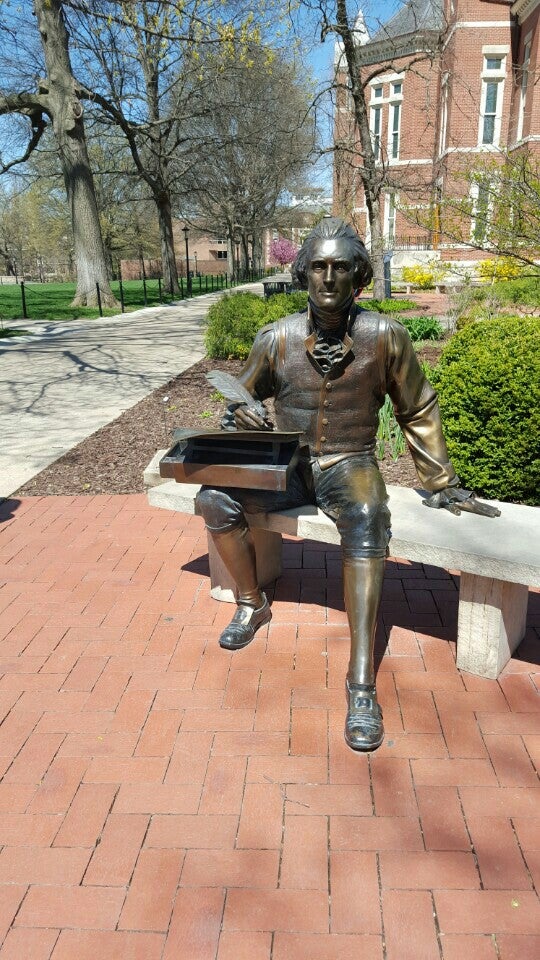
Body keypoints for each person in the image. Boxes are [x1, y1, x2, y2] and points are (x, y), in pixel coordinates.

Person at [196, 218, 499, 751]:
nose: (329, 279)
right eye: (318, 267)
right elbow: (238, 396)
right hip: (287, 463)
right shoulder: (275, 338)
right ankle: (251, 602)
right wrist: (237, 416)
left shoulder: (385, 336)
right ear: (303, 273)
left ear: (359, 275)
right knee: (215, 497)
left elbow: (418, 406)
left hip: (349, 462)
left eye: (341, 268)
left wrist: (440, 478)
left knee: (367, 516)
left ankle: (361, 686)